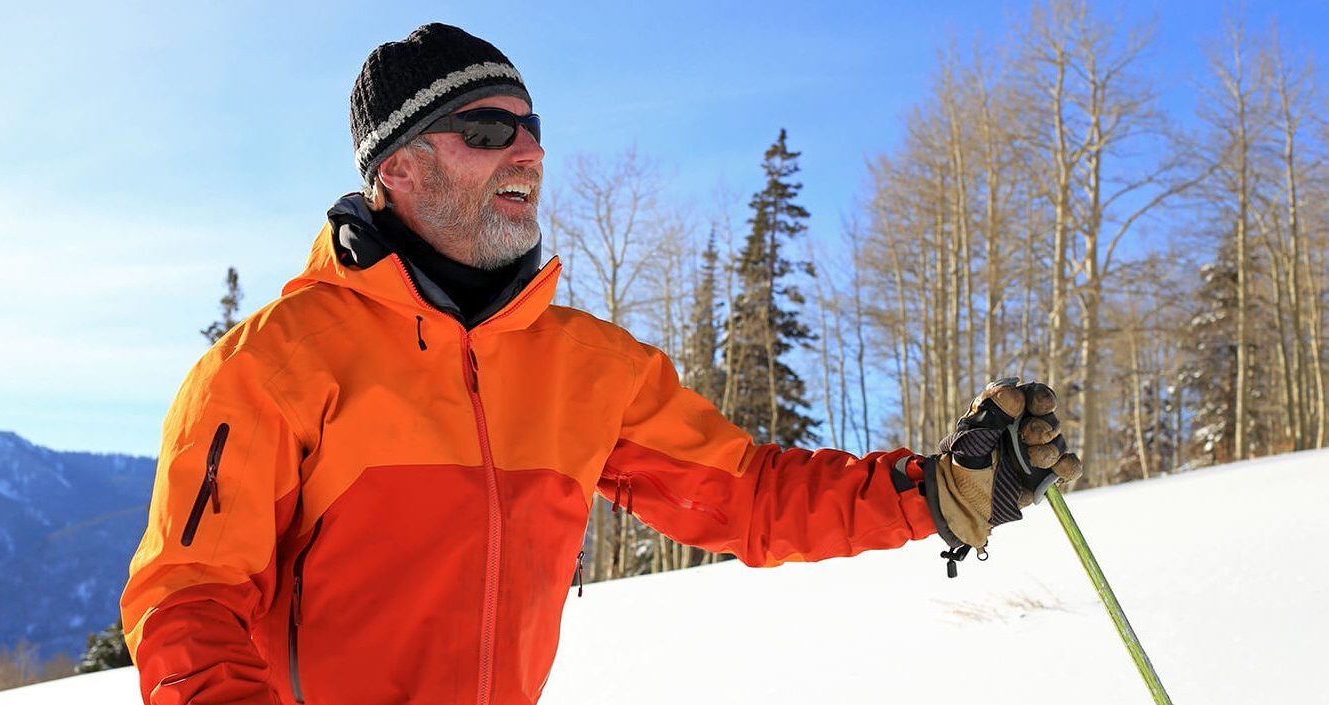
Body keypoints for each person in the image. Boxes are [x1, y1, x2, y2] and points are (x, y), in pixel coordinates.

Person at [119, 22, 1083, 705]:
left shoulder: (585, 367)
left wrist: (931, 493)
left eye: (532, 128)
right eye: (487, 130)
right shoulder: (276, 364)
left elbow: (747, 497)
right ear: (396, 172)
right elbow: (186, 601)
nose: (526, 152)